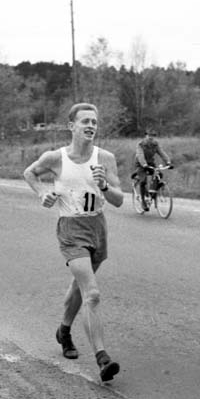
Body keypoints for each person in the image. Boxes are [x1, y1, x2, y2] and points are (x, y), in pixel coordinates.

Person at [23, 103, 124, 382]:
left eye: (94, 122)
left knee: (79, 288)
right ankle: (102, 358)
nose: (91, 126)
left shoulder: (106, 158)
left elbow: (118, 199)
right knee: (92, 293)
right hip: (71, 228)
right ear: (72, 126)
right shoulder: (55, 158)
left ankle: (64, 331)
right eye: (85, 121)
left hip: (97, 227)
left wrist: (104, 186)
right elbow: (30, 173)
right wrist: (42, 193)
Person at [134, 130, 172, 211]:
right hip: (141, 164)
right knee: (143, 181)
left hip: (150, 163)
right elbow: (140, 155)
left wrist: (168, 162)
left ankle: (152, 192)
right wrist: (144, 165)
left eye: (153, 136)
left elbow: (162, 153)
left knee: (159, 175)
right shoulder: (140, 144)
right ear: (146, 136)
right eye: (149, 135)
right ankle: (143, 201)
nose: (151, 137)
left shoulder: (155, 144)